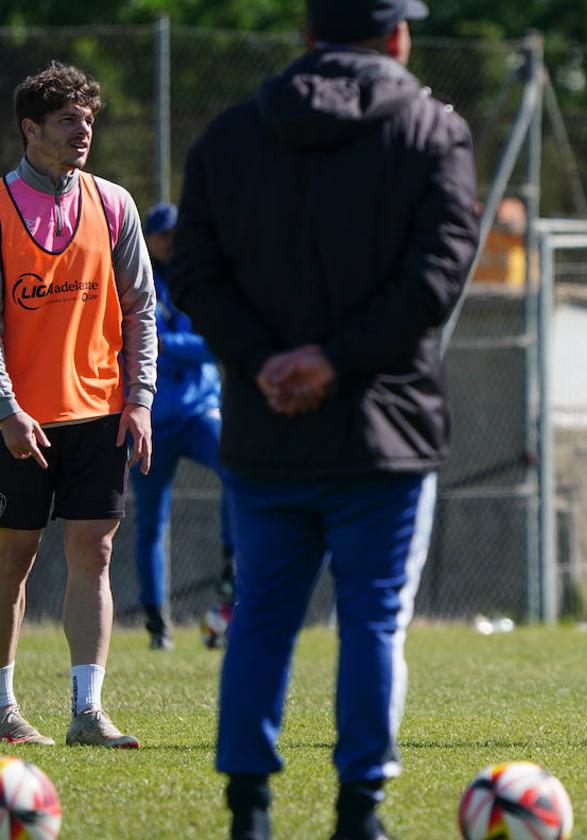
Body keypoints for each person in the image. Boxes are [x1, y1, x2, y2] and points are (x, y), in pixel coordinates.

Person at [168, 0, 478, 836]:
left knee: (261, 616)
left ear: (305, 36)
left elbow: (192, 271)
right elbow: (437, 275)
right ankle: (359, 812)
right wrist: (333, 361)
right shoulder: (429, 129)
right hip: (386, 428)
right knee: (373, 619)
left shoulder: (229, 136)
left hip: (267, 429)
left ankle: (249, 811)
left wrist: (267, 360)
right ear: (400, 37)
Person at [0, 61, 156, 748]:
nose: (82, 128)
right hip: (17, 423)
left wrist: (141, 399)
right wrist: (4, 407)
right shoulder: (1, 206)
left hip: (99, 413)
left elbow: (141, 310)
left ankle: (87, 712)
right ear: (31, 129)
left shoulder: (113, 203)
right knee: (13, 558)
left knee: (93, 552)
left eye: (88, 117)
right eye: (68, 119)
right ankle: (3, 710)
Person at [130, 201, 235, 651]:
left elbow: (215, 341)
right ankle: (157, 621)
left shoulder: (204, 277)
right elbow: (143, 340)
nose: (173, 243)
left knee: (239, 463)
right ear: (150, 239)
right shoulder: (139, 277)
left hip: (197, 411)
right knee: (151, 522)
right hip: (152, 418)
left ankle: (232, 568)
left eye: (179, 234)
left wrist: (175, 342)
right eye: (165, 235)